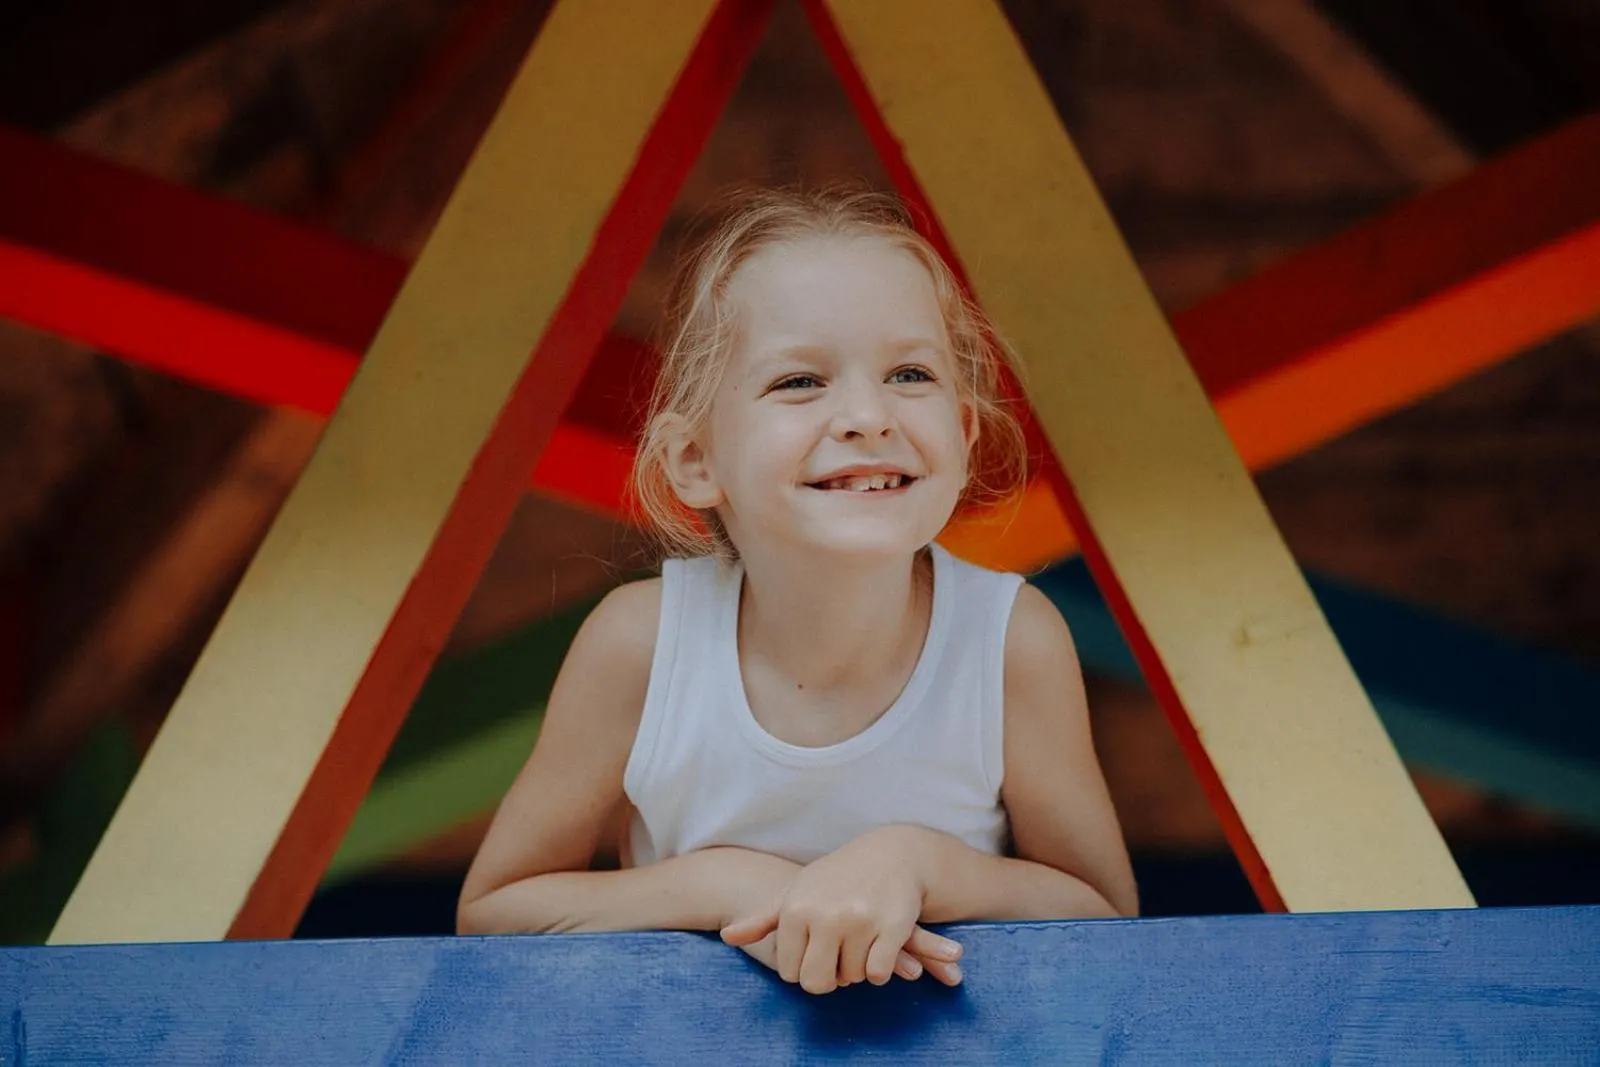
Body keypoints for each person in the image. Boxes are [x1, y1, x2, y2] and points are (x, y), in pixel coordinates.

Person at [457, 187, 1137, 995]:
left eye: (910, 373)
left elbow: (1104, 911)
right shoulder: (640, 646)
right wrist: (732, 886)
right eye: (800, 382)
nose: (866, 414)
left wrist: (913, 863)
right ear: (694, 460)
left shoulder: (1011, 642)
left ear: (963, 431)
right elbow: (495, 910)